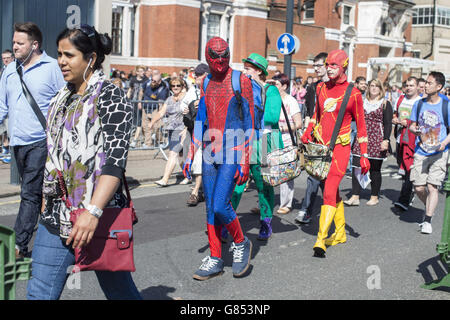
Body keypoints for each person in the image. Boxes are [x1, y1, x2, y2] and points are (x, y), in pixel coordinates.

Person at [26, 25, 142, 300]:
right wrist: (46, 199)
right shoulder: (60, 98)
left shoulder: (110, 96)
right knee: (39, 293)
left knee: (120, 293)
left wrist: (93, 212)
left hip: (98, 217)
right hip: (57, 217)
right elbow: (54, 154)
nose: (61, 61)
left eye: (69, 55)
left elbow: (115, 161)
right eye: (59, 54)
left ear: (90, 58)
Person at [183, 37, 254, 280]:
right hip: (210, 152)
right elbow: (200, 121)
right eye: (215, 57)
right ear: (207, 56)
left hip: (233, 150)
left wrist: (246, 158)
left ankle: (241, 242)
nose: (221, 61)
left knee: (221, 204)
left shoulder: (240, 80)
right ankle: (215, 257)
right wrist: (190, 153)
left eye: (225, 56)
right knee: (210, 209)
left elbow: (250, 121)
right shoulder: (206, 83)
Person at [0, 22, 66, 259]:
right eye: (14, 42)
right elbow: (1, 106)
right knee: (37, 193)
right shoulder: (10, 70)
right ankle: (56, 233)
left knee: (30, 193)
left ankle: (19, 245)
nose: (14, 47)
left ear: (34, 45)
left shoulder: (52, 68)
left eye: (20, 43)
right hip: (18, 143)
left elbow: (67, 104)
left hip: (42, 141)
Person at [301, 49, 370, 258]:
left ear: (344, 67)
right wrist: (307, 131)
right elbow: (316, 115)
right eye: (328, 65)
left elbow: (362, 126)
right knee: (332, 192)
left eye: (334, 65)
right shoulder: (320, 87)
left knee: (329, 190)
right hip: (321, 149)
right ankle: (340, 233)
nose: (329, 69)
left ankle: (321, 240)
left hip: (340, 149)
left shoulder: (354, 94)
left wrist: (364, 154)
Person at [231, 53, 283, 240]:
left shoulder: (270, 90)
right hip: (244, 140)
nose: (244, 71)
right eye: (244, 68)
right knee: (237, 183)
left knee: (263, 186)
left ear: (259, 71)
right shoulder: (242, 90)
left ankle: (266, 222)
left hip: (265, 141)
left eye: (248, 68)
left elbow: (272, 117)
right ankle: (227, 223)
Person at [409, 71, 450, 235]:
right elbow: (411, 125)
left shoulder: (446, 106)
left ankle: (427, 220)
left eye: (429, 83)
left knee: (433, 186)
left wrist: (444, 143)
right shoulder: (419, 104)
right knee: (419, 187)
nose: (425, 85)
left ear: (439, 87)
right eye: (425, 82)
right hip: (421, 150)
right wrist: (415, 130)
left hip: (440, 152)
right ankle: (429, 208)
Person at [344, 79, 393, 206]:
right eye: (371, 86)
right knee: (356, 166)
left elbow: (388, 124)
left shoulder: (385, 103)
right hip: (362, 137)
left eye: (377, 86)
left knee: (374, 169)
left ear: (380, 89)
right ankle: (355, 195)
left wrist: (386, 140)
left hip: (377, 137)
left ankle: (374, 195)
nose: (374, 88)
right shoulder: (361, 101)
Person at [295, 52, 328, 224]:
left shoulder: (337, 87)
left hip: (333, 138)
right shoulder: (312, 87)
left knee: (327, 179)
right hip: (315, 137)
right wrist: (305, 135)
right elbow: (308, 112)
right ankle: (306, 209)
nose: (316, 69)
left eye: (319, 65)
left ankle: (332, 208)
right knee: (314, 175)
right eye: (314, 65)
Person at [274, 73, 302, 215]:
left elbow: (299, 123)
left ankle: (286, 203)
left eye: (276, 84)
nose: (273, 87)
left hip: (286, 140)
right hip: (272, 138)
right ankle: (264, 204)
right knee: (268, 172)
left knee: (286, 173)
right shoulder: (270, 100)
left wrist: (283, 128)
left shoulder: (291, 101)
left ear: (284, 86)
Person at [149, 77, 186, 187]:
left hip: (182, 130)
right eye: (173, 86)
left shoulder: (186, 98)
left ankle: (165, 179)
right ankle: (187, 175)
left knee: (173, 154)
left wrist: (187, 129)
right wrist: (152, 122)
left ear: (182, 87)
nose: (175, 88)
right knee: (180, 155)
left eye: (178, 85)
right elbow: (161, 113)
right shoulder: (169, 99)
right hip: (171, 129)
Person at [182, 63, 209, 206]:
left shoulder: (213, 87)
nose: (196, 76)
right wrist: (189, 107)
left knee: (209, 161)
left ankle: (202, 190)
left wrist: (204, 103)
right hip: (198, 127)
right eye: (195, 74)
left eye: (198, 74)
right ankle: (196, 191)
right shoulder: (193, 89)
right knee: (197, 158)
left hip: (212, 129)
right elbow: (183, 105)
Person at [393, 77, 421, 211]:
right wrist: (395, 119)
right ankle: (410, 191)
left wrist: (408, 123)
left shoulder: (420, 102)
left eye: (412, 85)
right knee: (402, 168)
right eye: (407, 85)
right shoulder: (400, 99)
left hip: (412, 141)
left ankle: (404, 199)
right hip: (399, 138)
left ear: (417, 87)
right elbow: (394, 113)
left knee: (409, 169)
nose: (409, 87)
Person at [142, 69, 170, 148]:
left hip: (155, 108)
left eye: (154, 81)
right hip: (145, 107)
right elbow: (141, 90)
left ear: (159, 81)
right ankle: (148, 143)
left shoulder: (163, 88)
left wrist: (160, 112)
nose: (152, 82)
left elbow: (161, 102)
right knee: (145, 126)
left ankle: (160, 141)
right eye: (152, 80)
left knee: (157, 126)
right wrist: (140, 102)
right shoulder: (147, 83)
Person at [127, 65, 148, 148]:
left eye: (143, 71)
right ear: (137, 72)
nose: (143, 73)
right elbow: (130, 90)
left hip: (141, 103)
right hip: (133, 102)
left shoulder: (146, 80)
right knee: (134, 121)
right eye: (141, 71)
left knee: (139, 122)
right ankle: (145, 139)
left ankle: (134, 141)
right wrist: (126, 99)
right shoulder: (133, 79)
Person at [0, 49, 14, 163]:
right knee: (3, 130)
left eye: (7, 58)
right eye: (3, 58)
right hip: (2, 106)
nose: (5, 60)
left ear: (12, 58)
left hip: (11, 107)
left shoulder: (16, 70)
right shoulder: (2, 71)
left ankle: (10, 153)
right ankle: (5, 149)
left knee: (10, 130)